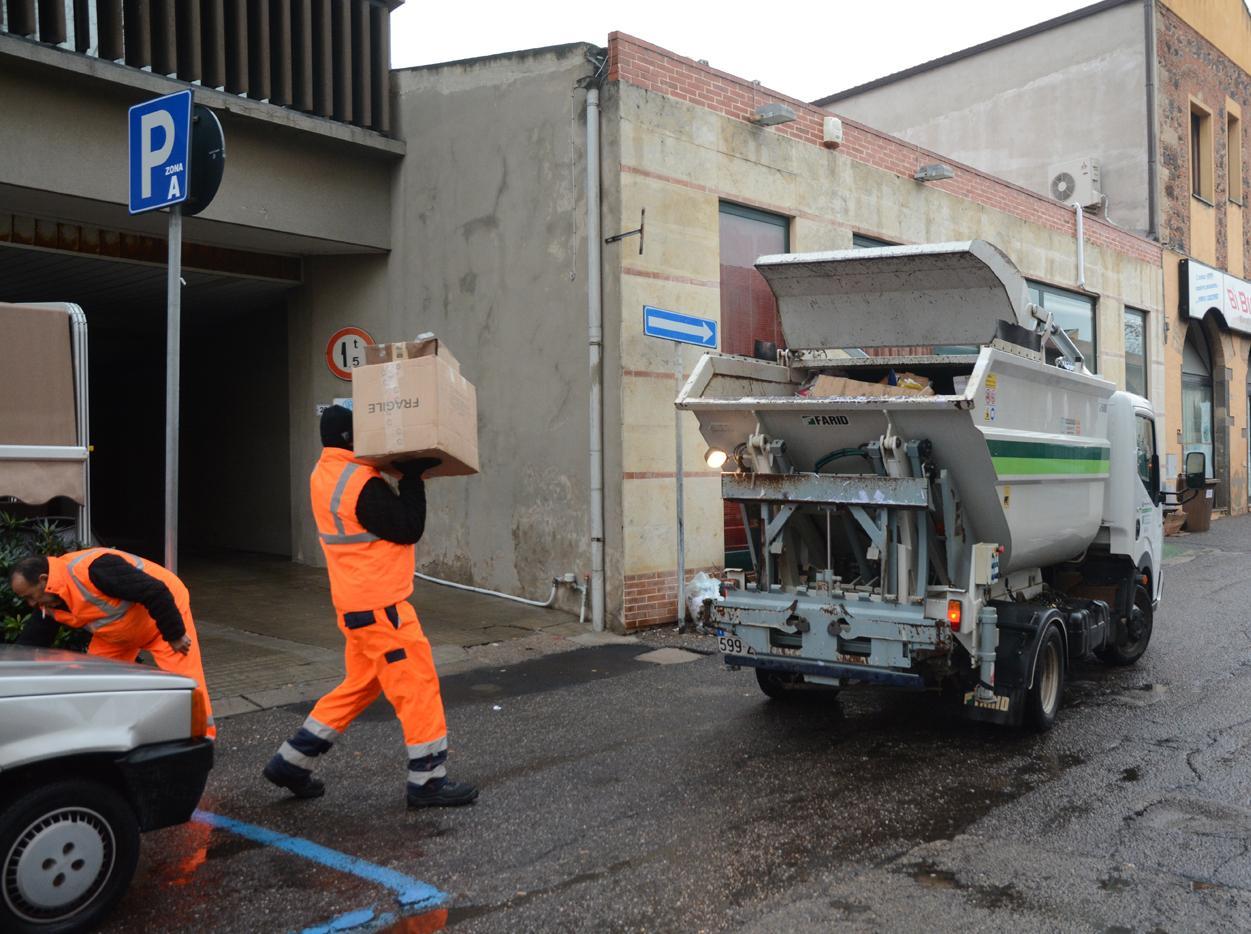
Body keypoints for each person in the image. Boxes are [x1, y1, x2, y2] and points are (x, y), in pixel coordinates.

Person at [263, 405, 477, 808]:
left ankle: (292, 761)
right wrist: (412, 477)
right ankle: (427, 781)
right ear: (350, 439)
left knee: (360, 686)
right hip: (383, 608)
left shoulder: (324, 473)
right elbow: (408, 526)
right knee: (417, 686)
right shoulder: (359, 481)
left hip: (355, 605)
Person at [10, 548, 216, 740]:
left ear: (43, 580)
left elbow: (156, 591)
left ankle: (201, 739)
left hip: (163, 621)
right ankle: (102, 737)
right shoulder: (48, 602)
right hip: (116, 633)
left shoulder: (93, 569)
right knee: (94, 684)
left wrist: (175, 634)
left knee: (186, 684)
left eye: (29, 596)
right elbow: (31, 644)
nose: (31, 604)